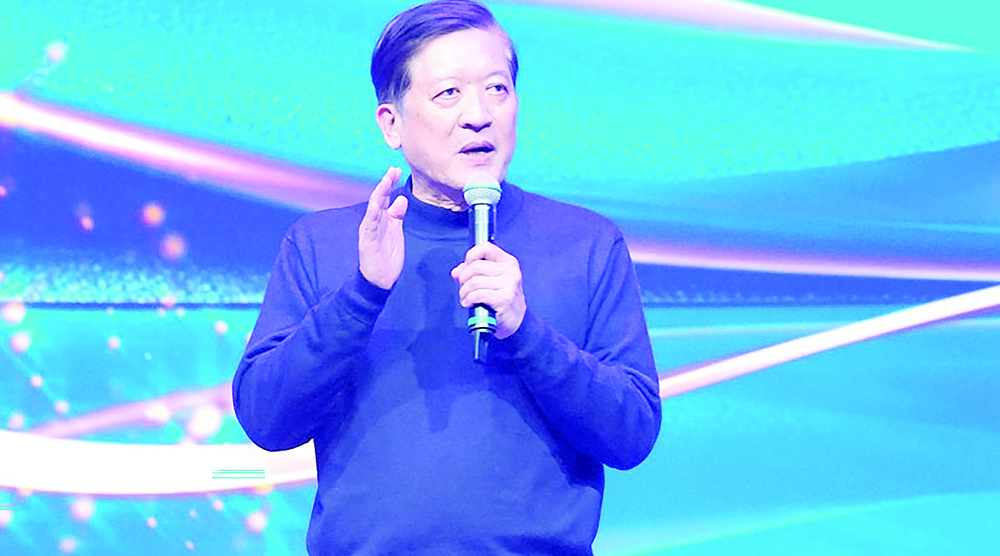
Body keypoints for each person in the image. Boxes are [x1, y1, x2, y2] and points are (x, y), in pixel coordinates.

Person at [232, 1, 661, 553]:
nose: (478, 114)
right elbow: (267, 420)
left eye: (497, 89)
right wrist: (361, 294)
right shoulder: (324, 244)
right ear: (392, 123)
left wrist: (527, 331)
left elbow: (631, 433)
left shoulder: (586, 243)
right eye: (448, 93)